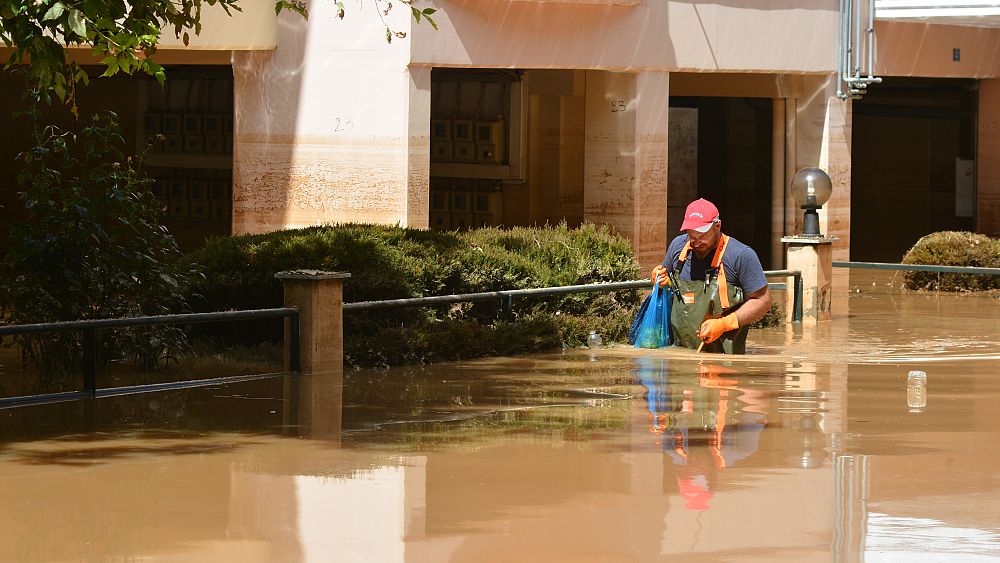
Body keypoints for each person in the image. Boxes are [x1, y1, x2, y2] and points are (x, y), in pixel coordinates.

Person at [650, 198, 771, 354]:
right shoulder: (678, 247)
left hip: (724, 362)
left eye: (702, 236)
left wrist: (724, 324)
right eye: (692, 236)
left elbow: (763, 301)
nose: (697, 242)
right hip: (679, 355)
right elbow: (666, 284)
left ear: (717, 226)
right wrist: (659, 280)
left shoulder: (742, 255)